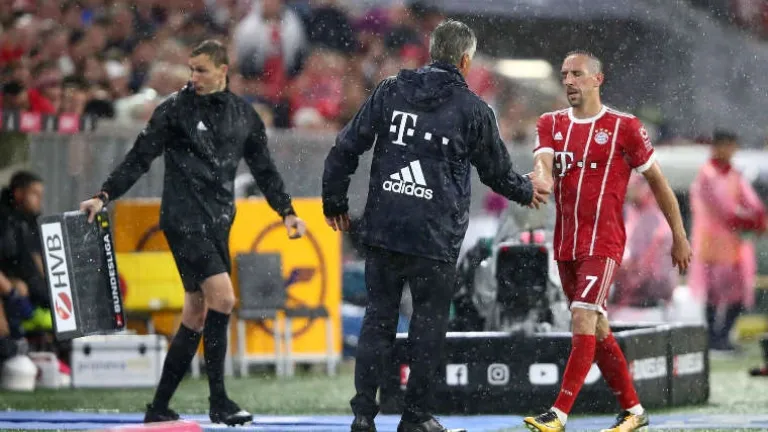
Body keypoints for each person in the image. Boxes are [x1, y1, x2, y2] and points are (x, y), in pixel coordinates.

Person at [322, 20, 548, 432]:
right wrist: (526, 190)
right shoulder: (473, 110)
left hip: (385, 228)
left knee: (378, 320)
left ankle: (362, 416)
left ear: (432, 53)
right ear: (465, 60)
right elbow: (496, 173)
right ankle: (415, 417)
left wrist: (334, 201)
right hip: (434, 236)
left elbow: (345, 147)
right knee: (428, 325)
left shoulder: (390, 91)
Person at [79, 39, 307, 426]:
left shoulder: (244, 115)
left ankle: (158, 407)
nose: (193, 77)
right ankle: (219, 401)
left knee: (196, 314)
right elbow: (139, 157)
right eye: (191, 69)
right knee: (224, 298)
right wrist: (104, 195)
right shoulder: (175, 110)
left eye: (201, 69)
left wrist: (286, 211)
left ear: (223, 71)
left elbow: (264, 169)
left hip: (218, 222)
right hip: (183, 220)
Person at [524, 50, 692, 432]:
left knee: (583, 316)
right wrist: (541, 179)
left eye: (577, 74)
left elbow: (658, 183)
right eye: (564, 75)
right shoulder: (550, 122)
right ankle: (634, 410)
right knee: (597, 327)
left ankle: (558, 414)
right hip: (565, 244)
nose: (569, 81)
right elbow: (543, 163)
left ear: (598, 79)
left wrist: (680, 236)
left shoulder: (625, 127)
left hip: (604, 242)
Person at [688, 130, 766, 352]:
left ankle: (722, 336)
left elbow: (750, 201)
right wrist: (749, 221)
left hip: (733, 245)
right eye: (725, 146)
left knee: (739, 292)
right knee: (714, 294)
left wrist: (759, 217)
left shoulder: (734, 174)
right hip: (712, 244)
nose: (729, 151)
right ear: (716, 147)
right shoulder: (707, 175)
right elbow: (722, 209)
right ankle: (714, 338)